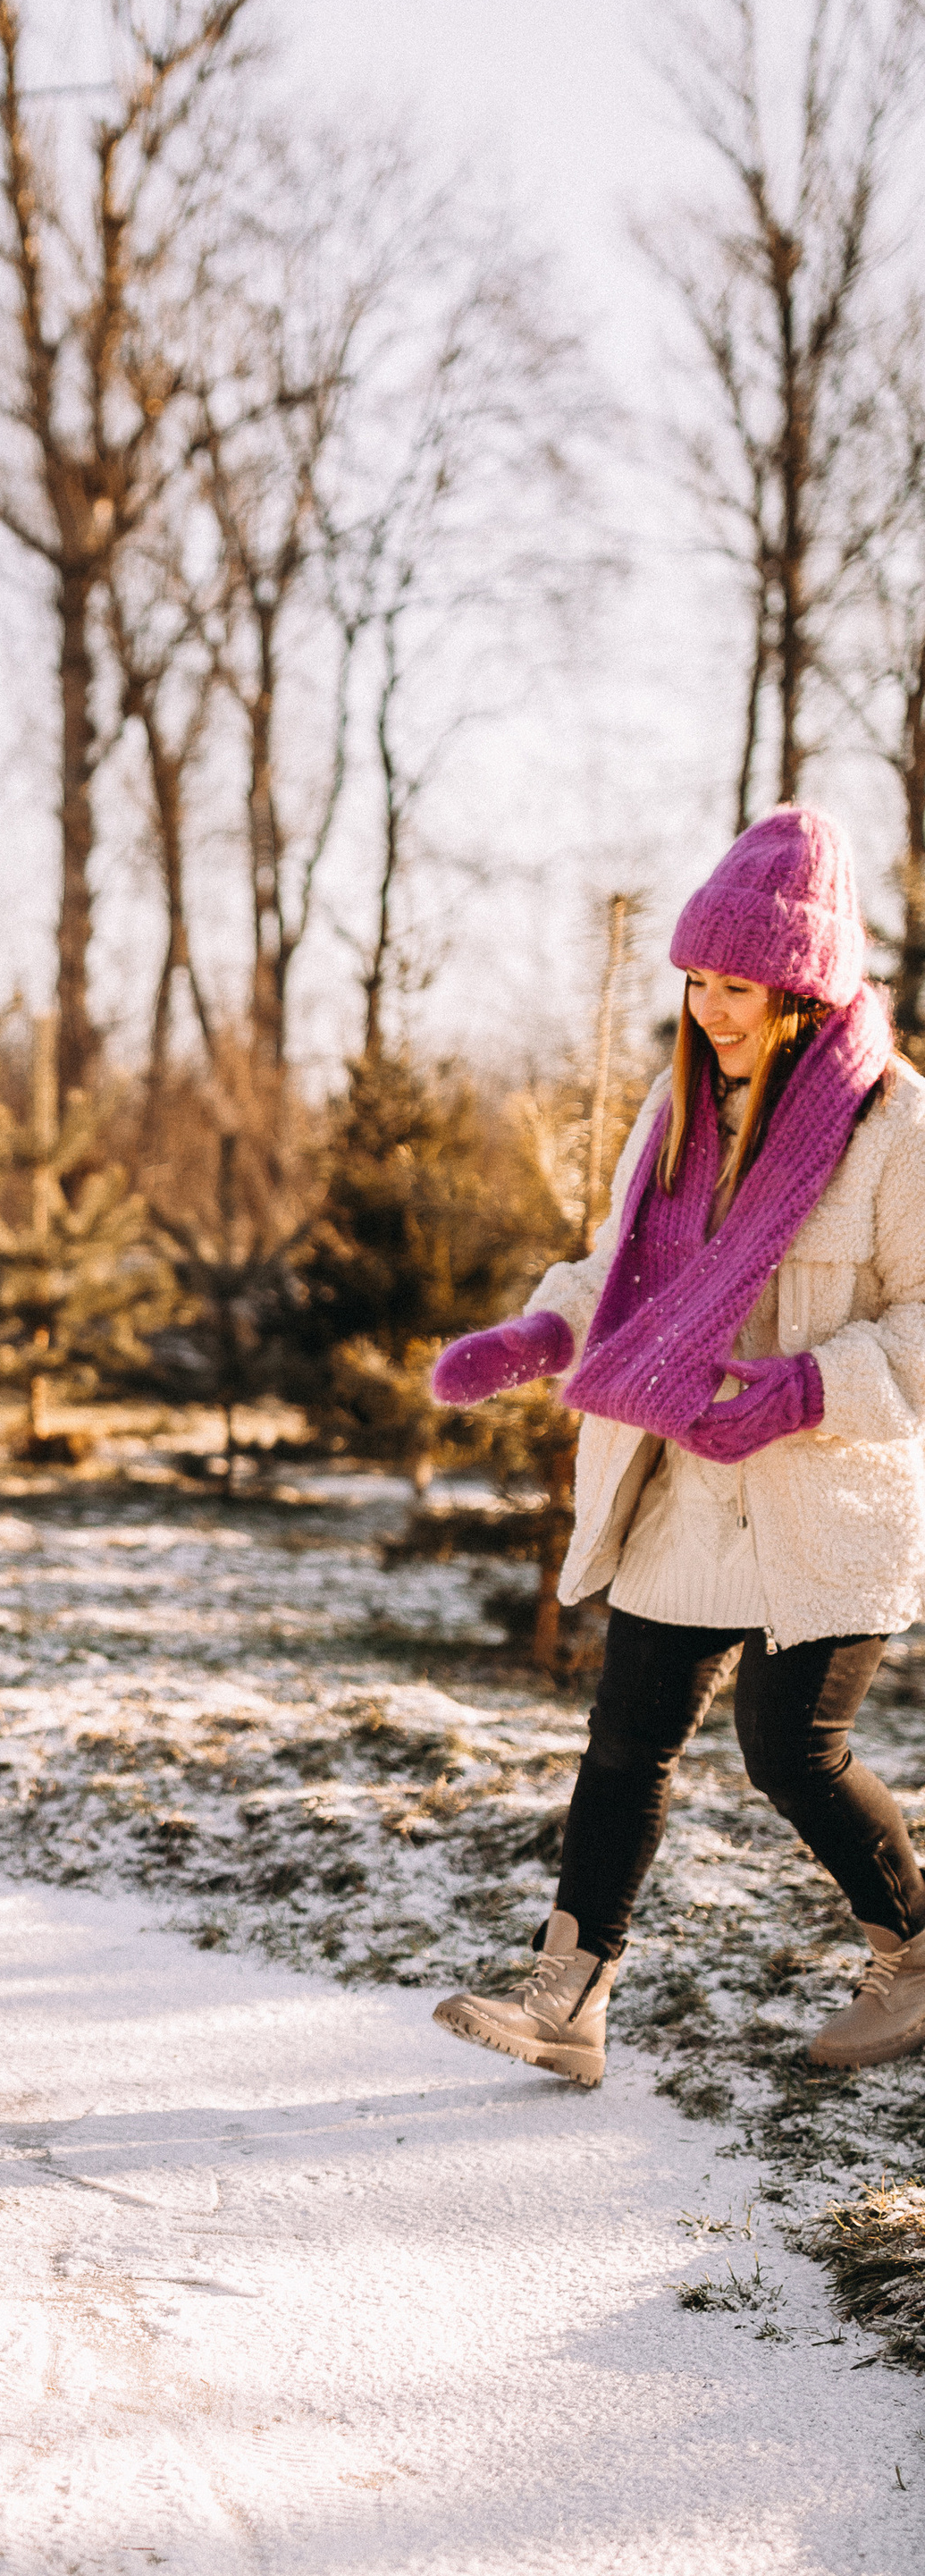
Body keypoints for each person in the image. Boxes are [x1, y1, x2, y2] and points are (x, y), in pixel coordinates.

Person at [429, 803, 925, 2088]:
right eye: (697, 980)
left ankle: (914, 1951)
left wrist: (812, 1387)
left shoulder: (897, 1127)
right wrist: (544, 1331)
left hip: (821, 1497)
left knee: (790, 1751)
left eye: (740, 985)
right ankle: (567, 1999)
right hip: (689, 1487)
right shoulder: (678, 1107)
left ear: (805, 989)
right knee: (625, 1739)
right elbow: (624, 1275)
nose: (710, 1009)